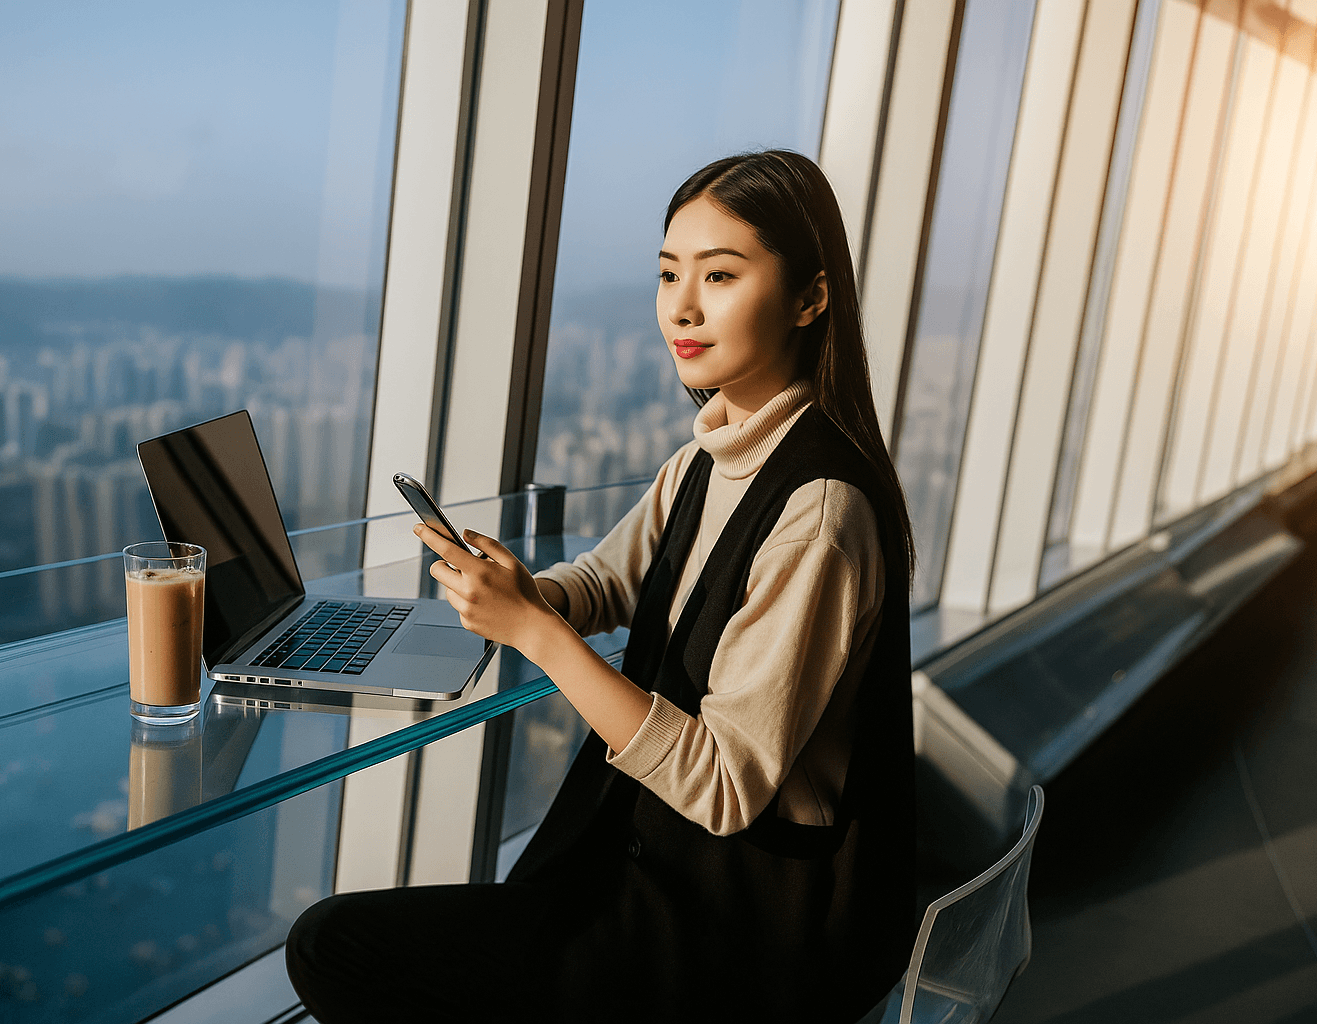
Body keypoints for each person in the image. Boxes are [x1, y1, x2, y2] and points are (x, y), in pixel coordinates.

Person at [286, 149, 917, 1023]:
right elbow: (608, 581)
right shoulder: (710, 455)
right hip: (655, 865)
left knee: (335, 950)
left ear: (811, 299)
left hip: (739, 927)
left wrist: (537, 634)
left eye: (721, 275)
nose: (682, 308)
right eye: (668, 275)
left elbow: (728, 787)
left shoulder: (818, 512)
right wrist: (526, 592)